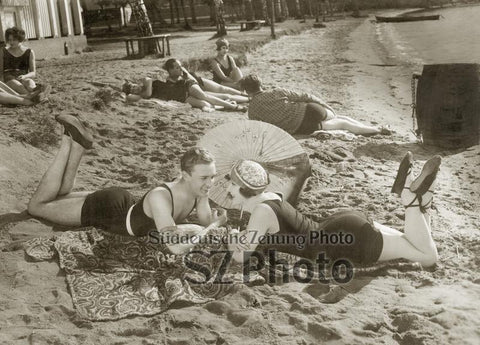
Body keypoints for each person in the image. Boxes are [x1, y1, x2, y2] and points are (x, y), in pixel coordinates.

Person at [27, 115, 227, 254]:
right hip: (106, 211)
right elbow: (174, 247)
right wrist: (214, 226)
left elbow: (204, 220)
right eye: (204, 178)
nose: (210, 183)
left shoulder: (199, 188)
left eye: (212, 176)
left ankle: (78, 145)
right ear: (185, 175)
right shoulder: (161, 196)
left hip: (124, 203)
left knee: (59, 196)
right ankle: (66, 141)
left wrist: (212, 221)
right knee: (37, 207)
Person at [225, 153, 440, 268]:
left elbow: (239, 257)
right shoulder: (270, 197)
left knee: (428, 257)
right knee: (411, 242)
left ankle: (410, 199)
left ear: (244, 188)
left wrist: (232, 236)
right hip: (342, 226)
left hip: (346, 241)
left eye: (231, 184)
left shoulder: (260, 213)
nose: (227, 189)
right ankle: (424, 200)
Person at [240, 74, 392, 136]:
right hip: (310, 111)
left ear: (247, 91)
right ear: (261, 84)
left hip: (301, 128)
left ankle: (376, 130)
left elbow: (259, 129)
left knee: (342, 123)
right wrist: (327, 106)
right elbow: (306, 96)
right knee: (340, 117)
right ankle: (377, 129)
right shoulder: (277, 92)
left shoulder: (252, 109)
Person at [123, 59, 247, 112]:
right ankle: (239, 102)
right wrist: (135, 94)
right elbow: (131, 97)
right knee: (208, 102)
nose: (136, 88)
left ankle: (234, 106)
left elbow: (148, 92)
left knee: (205, 96)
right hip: (179, 95)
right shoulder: (142, 93)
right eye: (133, 89)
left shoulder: (146, 81)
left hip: (185, 85)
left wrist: (142, 93)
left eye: (134, 85)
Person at [0, 27, 38, 94]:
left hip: (23, 77)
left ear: (20, 39)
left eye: (14, 40)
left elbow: (33, 72)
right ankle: (33, 96)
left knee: (30, 83)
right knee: (17, 85)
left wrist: (25, 76)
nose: (11, 42)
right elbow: (0, 71)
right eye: (9, 40)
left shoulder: (29, 52)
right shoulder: (3, 51)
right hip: (9, 78)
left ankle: (35, 93)